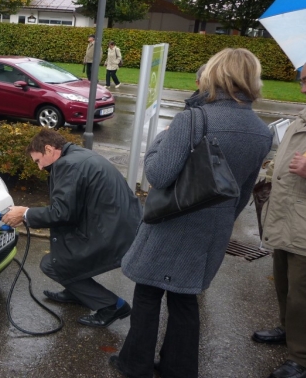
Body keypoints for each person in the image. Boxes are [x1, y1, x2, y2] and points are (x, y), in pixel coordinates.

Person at [110, 48, 273, 377]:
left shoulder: (194, 119)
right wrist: (222, 219)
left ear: (215, 73)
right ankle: (178, 369)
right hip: (212, 231)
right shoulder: (261, 131)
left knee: (148, 292)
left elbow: (157, 174)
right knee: (185, 301)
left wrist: (162, 138)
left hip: (171, 224)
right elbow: (241, 191)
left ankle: (134, 365)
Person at [2, 129, 142, 328]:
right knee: (65, 251)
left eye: (38, 160)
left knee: (52, 264)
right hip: (120, 226)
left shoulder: (67, 165)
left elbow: (62, 213)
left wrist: (25, 214)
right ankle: (77, 292)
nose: (40, 168)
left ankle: (112, 305)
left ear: (49, 149)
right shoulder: (78, 156)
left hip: (111, 233)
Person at [252, 57, 306, 378]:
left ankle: (305, 359)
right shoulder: (304, 118)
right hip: (287, 219)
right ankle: (289, 332)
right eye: (303, 81)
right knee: (286, 285)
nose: (304, 88)